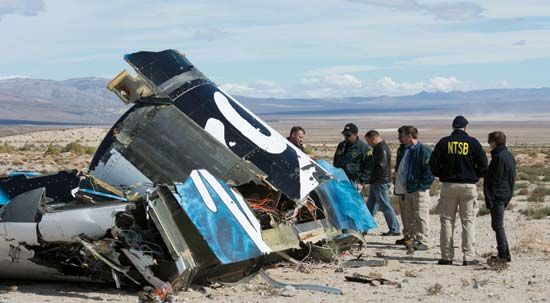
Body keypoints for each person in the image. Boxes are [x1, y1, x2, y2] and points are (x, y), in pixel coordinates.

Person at [429, 115, 488, 266]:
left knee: (447, 221)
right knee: (468, 221)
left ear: (453, 127)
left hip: (449, 186)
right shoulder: (473, 143)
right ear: (465, 128)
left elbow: (433, 164)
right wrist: (476, 176)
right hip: (468, 187)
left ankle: (446, 257)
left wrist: (442, 174)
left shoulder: (444, 142)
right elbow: (483, 165)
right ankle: (468, 257)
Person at [394, 126, 434, 250]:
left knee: (421, 215)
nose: (401, 138)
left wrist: (422, 186)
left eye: (403, 135)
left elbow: (430, 170)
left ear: (409, 136)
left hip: (418, 189)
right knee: (409, 215)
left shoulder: (423, 151)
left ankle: (423, 241)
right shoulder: (405, 150)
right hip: (407, 188)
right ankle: (411, 238)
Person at [484, 131, 515, 262]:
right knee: (497, 225)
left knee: (498, 225)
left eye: (489, 142)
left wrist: (490, 197)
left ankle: (503, 254)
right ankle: (505, 252)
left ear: (494, 142)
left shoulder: (499, 157)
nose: (489, 144)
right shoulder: (508, 155)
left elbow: (494, 180)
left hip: (498, 196)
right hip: (505, 194)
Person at [364, 130, 400, 236]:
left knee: (385, 205)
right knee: (370, 206)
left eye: (368, 141)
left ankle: (394, 229)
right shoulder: (379, 148)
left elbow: (380, 167)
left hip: (380, 181)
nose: (368, 144)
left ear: (373, 138)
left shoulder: (381, 149)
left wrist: (370, 178)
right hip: (377, 181)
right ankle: (364, 227)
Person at [394, 126, 410, 245]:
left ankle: (412, 237)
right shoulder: (402, 148)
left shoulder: (411, 149)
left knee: (410, 213)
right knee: (404, 212)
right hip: (400, 184)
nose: (399, 138)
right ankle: (407, 235)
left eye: (401, 136)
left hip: (408, 185)